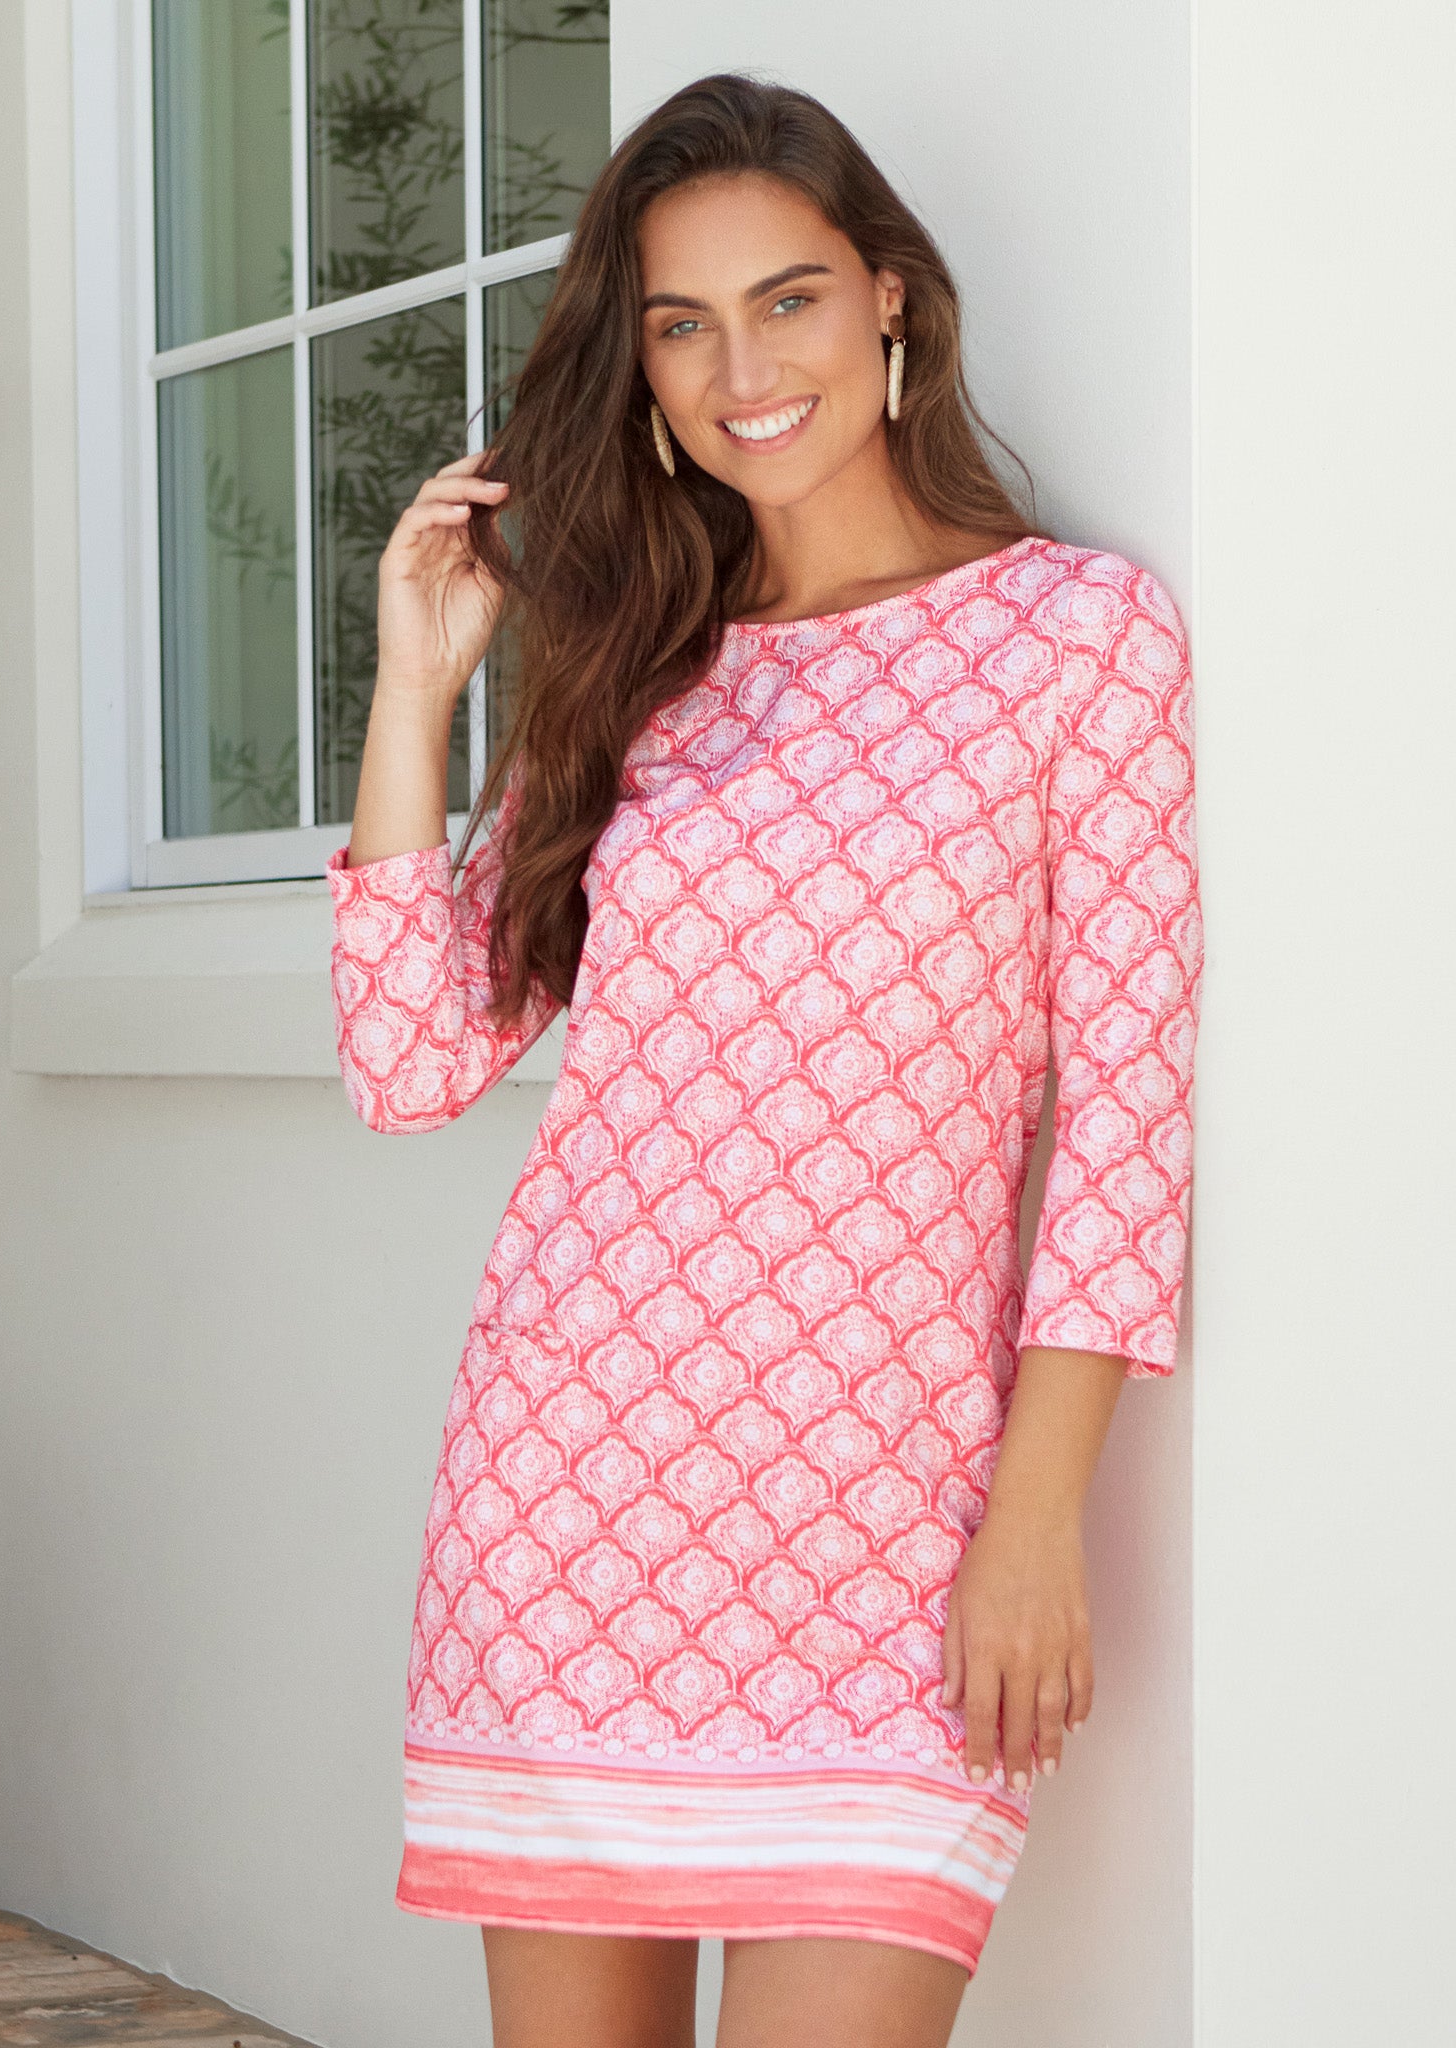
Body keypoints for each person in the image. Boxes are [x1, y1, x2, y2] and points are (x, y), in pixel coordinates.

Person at [327, 71, 1201, 2048]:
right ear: (635, 362)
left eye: (789, 299)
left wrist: (1037, 1514)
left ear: (891, 302)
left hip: (897, 1536)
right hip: (569, 1514)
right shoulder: (641, 660)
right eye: (682, 322)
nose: (744, 368)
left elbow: (1130, 1129)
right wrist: (417, 682)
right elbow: (408, 1058)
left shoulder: (1078, 638)